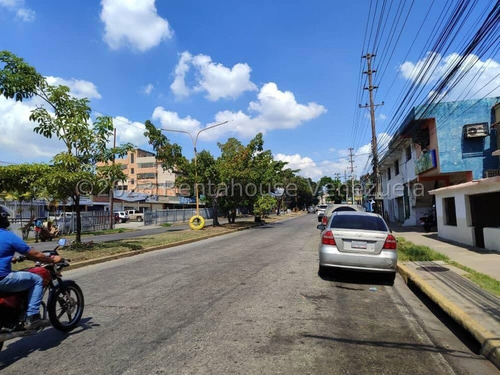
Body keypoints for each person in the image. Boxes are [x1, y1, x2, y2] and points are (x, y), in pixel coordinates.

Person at [0, 205, 62, 330]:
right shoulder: (7, 236)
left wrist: (10, 257)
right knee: (36, 279)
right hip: (2, 279)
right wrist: (51, 259)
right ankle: (32, 317)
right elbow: (33, 254)